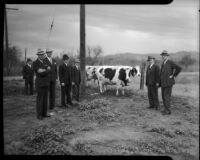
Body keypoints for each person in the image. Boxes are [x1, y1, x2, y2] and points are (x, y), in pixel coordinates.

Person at [160, 50, 181, 115]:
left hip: (168, 82)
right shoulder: (163, 63)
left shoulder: (170, 62)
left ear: (167, 56)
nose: (163, 57)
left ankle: (168, 111)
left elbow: (179, 68)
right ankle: (165, 109)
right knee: (163, 96)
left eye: (165, 55)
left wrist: (173, 75)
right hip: (163, 83)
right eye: (162, 55)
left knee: (167, 97)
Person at [33, 49, 51, 120]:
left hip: (46, 83)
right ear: (38, 55)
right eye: (41, 54)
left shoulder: (45, 61)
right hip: (40, 84)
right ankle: (39, 115)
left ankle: (44, 113)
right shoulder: (35, 63)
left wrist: (45, 70)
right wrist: (46, 70)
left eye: (43, 54)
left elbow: (50, 69)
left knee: (45, 99)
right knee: (40, 100)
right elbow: (40, 73)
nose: (42, 55)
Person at [43, 48, 58, 113]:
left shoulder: (54, 60)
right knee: (46, 94)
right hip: (47, 79)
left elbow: (55, 70)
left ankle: (52, 106)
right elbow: (43, 70)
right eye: (48, 52)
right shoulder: (44, 60)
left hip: (53, 79)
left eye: (51, 52)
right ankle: (45, 107)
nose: (50, 53)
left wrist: (56, 78)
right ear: (46, 53)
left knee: (53, 93)